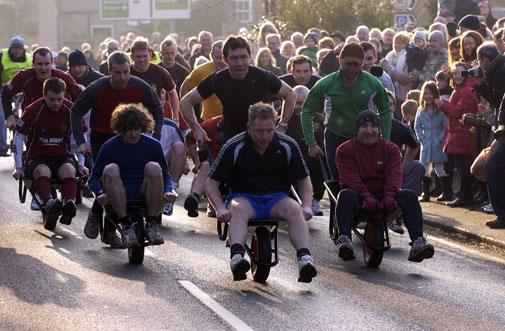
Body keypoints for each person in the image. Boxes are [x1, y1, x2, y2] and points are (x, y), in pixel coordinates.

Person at [205, 102, 317, 283]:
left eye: (269, 130)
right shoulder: (234, 146)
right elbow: (211, 183)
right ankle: (237, 259)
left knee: (295, 209)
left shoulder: (287, 145)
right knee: (238, 209)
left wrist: (306, 205)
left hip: (276, 198)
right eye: (259, 131)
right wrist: (219, 208)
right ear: (249, 127)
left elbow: (304, 180)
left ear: (275, 126)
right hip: (244, 198)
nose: (265, 136)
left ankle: (305, 261)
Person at [70, 51, 164, 247]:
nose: (122, 77)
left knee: (131, 179)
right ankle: (107, 227)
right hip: (103, 137)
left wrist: (156, 134)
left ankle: (99, 215)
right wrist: (80, 141)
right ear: (109, 71)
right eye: (118, 72)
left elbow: (157, 108)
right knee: (107, 176)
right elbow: (76, 111)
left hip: (132, 135)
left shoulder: (139, 86)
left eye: (126, 72)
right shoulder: (97, 88)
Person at [334, 110, 435, 262]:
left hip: (383, 193)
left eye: (373, 126)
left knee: (409, 195)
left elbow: (394, 175)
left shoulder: (391, 149)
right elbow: (350, 178)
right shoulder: (345, 150)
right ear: (357, 130)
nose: (369, 130)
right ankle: (344, 241)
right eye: (364, 126)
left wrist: (390, 195)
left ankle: (418, 242)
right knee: (345, 195)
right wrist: (366, 196)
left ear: (379, 129)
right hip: (358, 195)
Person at [87, 103, 176, 247]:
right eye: (128, 130)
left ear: (143, 127)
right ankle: (126, 225)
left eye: (136, 129)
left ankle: (152, 223)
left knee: (154, 167)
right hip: (118, 191)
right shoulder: (110, 146)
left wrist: (168, 190)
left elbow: (165, 175)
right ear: (121, 129)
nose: (133, 134)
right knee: (111, 169)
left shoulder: (153, 145)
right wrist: (100, 193)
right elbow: (93, 179)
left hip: (144, 190)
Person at [180, 35, 295, 146]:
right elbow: (185, 102)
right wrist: (196, 128)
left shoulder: (262, 76)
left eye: (243, 57)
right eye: (234, 58)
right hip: (231, 137)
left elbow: (290, 94)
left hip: (263, 137)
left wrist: (282, 124)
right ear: (225, 59)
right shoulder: (218, 79)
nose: (239, 63)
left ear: (250, 57)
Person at [301, 42, 391, 181]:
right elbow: (307, 111)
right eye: (348, 64)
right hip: (335, 138)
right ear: (340, 61)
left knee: (365, 181)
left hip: (365, 139)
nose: (352, 68)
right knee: (337, 182)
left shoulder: (373, 83)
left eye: (356, 65)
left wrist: (385, 142)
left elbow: (385, 111)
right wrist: (311, 143)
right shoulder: (326, 84)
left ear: (362, 64)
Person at [13, 77, 87, 227]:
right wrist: (19, 167)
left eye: (59, 99)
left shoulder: (71, 110)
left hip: (62, 156)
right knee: (42, 171)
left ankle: (68, 204)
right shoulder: (33, 110)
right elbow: (18, 137)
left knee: (69, 170)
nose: (56, 103)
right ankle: (49, 204)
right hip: (38, 157)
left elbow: (81, 139)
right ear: (44, 95)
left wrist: (81, 164)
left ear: (64, 95)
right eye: (52, 99)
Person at [435, 61, 478, 207]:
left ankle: (464, 196)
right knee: (462, 167)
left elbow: (460, 111)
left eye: (461, 72)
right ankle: (465, 195)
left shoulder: (466, 90)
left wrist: (443, 105)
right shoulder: (461, 88)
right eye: (455, 73)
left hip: (464, 133)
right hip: (460, 133)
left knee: (464, 168)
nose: (458, 76)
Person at [415, 81, 449, 202]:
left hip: (437, 144)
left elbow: (446, 126)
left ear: (435, 95)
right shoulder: (420, 110)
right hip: (426, 144)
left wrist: (440, 139)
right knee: (426, 169)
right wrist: (422, 139)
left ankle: (446, 192)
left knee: (440, 168)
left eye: (430, 93)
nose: (427, 96)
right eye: (425, 93)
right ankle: (426, 193)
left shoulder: (440, 110)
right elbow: (417, 127)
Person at [0, 36, 33, 156]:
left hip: (23, 91)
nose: (17, 51)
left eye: (20, 49)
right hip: (5, 91)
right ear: (10, 48)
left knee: (28, 115)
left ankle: (29, 144)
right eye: (14, 49)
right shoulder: (2, 56)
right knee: (2, 116)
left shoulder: (29, 58)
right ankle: (2, 147)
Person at [179, 40, 226, 122]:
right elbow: (184, 89)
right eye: (218, 57)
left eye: (223, 57)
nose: (221, 61)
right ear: (211, 56)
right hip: (208, 120)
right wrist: (192, 118)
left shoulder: (237, 69)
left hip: (232, 120)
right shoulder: (202, 71)